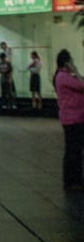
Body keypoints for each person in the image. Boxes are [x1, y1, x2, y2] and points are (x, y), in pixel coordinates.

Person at [52, 50, 84, 191]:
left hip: (74, 117)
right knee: (73, 151)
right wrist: (76, 71)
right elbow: (82, 85)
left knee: (75, 150)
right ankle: (72, 180)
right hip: (73, 118)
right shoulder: (63, 76)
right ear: (66, 62)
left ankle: (74, 179)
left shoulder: (62, 76)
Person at [0, 43, 16, 109]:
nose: (2, 60)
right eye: (1, 59)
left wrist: (9, 77)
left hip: (8, 78)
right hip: (3, 78)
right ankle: (4, 104)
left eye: (3, 58)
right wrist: (2, 71)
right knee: (3, 92)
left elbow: (11, 70)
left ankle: (12, 104)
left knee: (10, 92)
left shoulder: (8, 62)